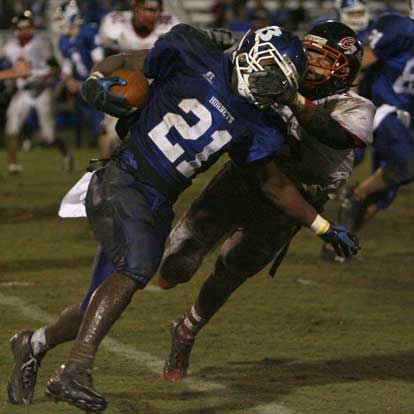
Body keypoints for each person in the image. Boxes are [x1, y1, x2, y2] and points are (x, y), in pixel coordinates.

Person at [6, 24, 358, 412]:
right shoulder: (193, 52)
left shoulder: (258, 122)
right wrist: (95, 79)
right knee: (138, 267)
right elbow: (125, 61)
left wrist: (322, 226)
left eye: (280, 84)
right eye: (270, 74)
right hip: (123, 178)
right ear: (252, 56)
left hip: (157, 201)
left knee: (99, 302)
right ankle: (76, 371)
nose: (269, 87)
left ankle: (32, 344)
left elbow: (275, 186)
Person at [158, 21, 374, 381]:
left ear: (343, 68)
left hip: (295, 198)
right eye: (310, 52)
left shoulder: (355, 107)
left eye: (322, 57)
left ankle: (185, 332)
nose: (310, 61)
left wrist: (291, 97)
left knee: (231, 270)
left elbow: (331, 133)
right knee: (176, 265)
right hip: (247, 175)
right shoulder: (280, 73)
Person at [332, 13, 414, 244]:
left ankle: (338, 246)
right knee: (407, 166)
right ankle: (354, 194)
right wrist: (352, 98)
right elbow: (360, 60)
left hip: (407, 119)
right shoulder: (400, 27)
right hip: (384, 109)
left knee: (383, 196)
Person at [98, 0, 179, 156]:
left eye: (157, 10)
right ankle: (102, 170)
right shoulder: (115, 23)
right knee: (113, 133)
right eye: (148, 10)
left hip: (155, 86)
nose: (154, 15)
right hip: (122, 83)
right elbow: (105, 58)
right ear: (136, 8)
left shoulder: (169, 25)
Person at [2, 10, 74, 175]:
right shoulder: (10, 46)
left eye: (27, 27)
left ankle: (66, 155)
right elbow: (9, 67)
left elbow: (56, 68)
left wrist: (43, 78)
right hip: (24, 91)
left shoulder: (41, 42)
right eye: (21, 28)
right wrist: (12, 78)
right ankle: (13, 166)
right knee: (11, 128)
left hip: (42, 90)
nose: (25, 31)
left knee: (49, 136)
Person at [56, 0, 105, 149]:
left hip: (99, 84)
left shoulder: (88, 32)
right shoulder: (63, 40)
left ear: (71, 16)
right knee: (95, 126)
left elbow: (100, 61)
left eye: (61, 18)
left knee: (103, 126)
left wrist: (89, 82)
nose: (59, 22)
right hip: (81, 88)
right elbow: (67, 66)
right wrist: (68, 80)